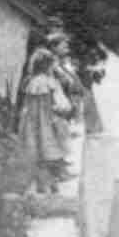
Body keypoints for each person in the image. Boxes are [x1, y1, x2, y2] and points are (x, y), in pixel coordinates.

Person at [18, 49, 72, 192]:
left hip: (32, 126)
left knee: (38, 157)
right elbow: (64, 106)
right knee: (51, 156)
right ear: (48, 66)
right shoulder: (51, 83)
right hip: (49, 126)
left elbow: (24, 107)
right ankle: (52, 186)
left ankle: (42, 186)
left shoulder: (29, 83)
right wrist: (61, 111)